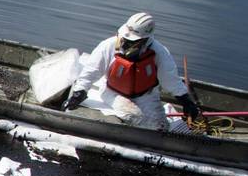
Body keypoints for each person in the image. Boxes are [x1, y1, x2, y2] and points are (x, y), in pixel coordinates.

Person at [62, 12, 200, 130]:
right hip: (112, 92)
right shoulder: (108, 45)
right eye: (126, 38)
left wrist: (185, 101)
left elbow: (170, 79)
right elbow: (91, 70)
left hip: (146, 96)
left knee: (161, 127)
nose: (127, 42)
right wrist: (79, 92)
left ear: (146, 40)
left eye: (133, 41)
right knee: (133, 115)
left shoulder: (159, 52)